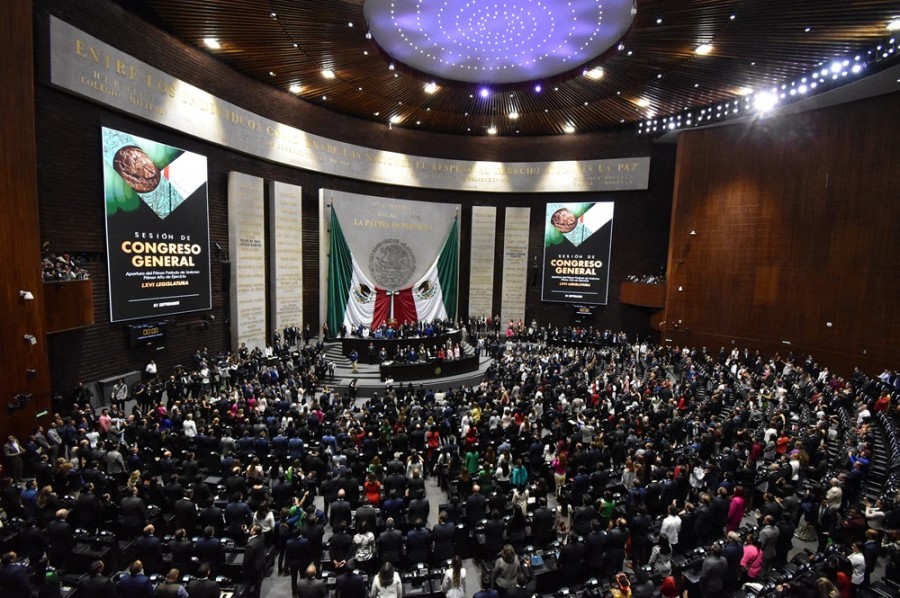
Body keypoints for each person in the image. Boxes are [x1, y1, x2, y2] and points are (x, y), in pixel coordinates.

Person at [242, 524, 267, 598]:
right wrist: (246, 531)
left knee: (248, 583)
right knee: (258, 585)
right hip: (260, 564)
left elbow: (246, 560)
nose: (250, 530)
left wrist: (243, 569)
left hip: (253, 568)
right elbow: (252, 536)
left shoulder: (250, 546)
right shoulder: (262, 536)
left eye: (251, 529)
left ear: (254, 532)